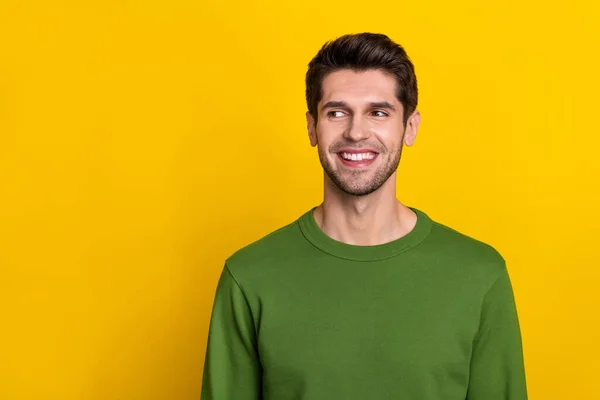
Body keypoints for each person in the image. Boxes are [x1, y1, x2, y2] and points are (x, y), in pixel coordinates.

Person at [200, 32, 527, 399]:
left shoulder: (480, 275)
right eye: (337, 113)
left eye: (378, 113)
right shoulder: (248, 276)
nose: (356, 132)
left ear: (410, 127)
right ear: (312, 127)